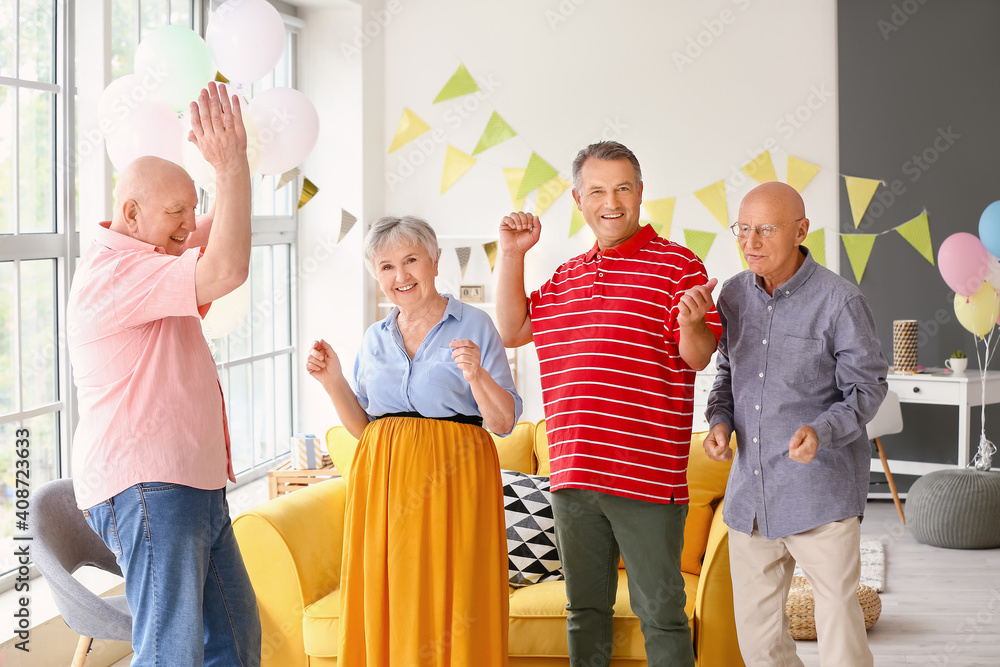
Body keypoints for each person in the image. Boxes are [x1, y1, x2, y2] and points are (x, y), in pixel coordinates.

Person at [495, 141, 721, 667]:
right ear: (579, 199)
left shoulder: (678, 266)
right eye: (597, 190)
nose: (611, 202)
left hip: (645, 475)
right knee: (585, 611)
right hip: (573, 473)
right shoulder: (567, 276)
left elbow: (697, 358)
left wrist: (691, 325)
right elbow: (513, 329)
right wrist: (511, 254)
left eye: (622, 188)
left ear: (641, 193)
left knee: (660, 611)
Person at [67, 81, 260, 665]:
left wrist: (231, 166)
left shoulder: (153, 257)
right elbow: (226, 266)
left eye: (190, 210)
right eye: (175, 212)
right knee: (172, 652)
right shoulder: (116, 273)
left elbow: (219, 232)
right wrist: (231, 166)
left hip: (191, 481)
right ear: (131, 213)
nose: (187, 225)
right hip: (151, 484)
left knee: (234, 638)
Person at [306, 215, 522, 666]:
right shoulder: (374, 338)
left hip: (456, 480)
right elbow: (366, 428)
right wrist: (332, 381)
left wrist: (476, 374)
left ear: (435, 261)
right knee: (393, 593)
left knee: (457, 589)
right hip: (383, 485)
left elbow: (502, 422)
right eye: (386, 267)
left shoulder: (475, 325)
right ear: (376, 275)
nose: (400, 276)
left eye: (410, 261)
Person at [703, 181, 888, 666]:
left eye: (765, 229)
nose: (750, 242)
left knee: (841, 639)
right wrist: (719, 420)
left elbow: (867, 389)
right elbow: (726, 371)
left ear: (801, 230)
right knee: (760, 644)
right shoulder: (734, 295)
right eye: (742, 229)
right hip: (752, 496)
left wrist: (821, 431)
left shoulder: (840, 301)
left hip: (820, 493)